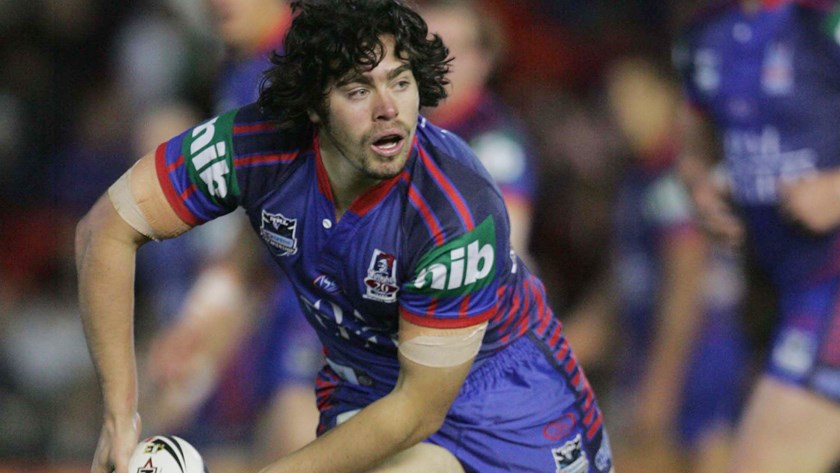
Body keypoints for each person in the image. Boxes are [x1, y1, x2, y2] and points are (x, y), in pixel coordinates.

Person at [75, 1, 614, 472]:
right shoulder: (253, 144)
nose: (388, 109)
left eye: (400, 82)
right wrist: (120, 418)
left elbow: (418, 410)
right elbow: (106, 230)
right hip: (369, 379)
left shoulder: (453, 209)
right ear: (315, 104)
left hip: (507, 402)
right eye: (358, 89)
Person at [138, 0, 323, 467]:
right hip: (275, 278)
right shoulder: (242, 66)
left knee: (294, 427)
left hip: (327, 277)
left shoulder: (307, 60)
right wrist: (204, 316)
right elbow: (263, 209)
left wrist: (210, 311)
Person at [675, 0, 840, 471]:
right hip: (773, 288)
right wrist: (700, 188)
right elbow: (695, 144)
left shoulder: (824, 18)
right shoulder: (702, 33)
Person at [603, 56, 747, 473]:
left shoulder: (675, 178)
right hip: (650, 347)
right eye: (615, 100)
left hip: (694, 353)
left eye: (636, 97)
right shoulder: (638, 177)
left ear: (669, 98)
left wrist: (659, 387)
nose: (623, 112)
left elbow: (685, 290)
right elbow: (617, 287)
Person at [418, 0, 538, 268]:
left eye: (448, 46)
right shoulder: (400, 125)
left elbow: (502, 246)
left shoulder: (495, 141)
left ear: (483, 60)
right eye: (422, 47)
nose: (432, 60)